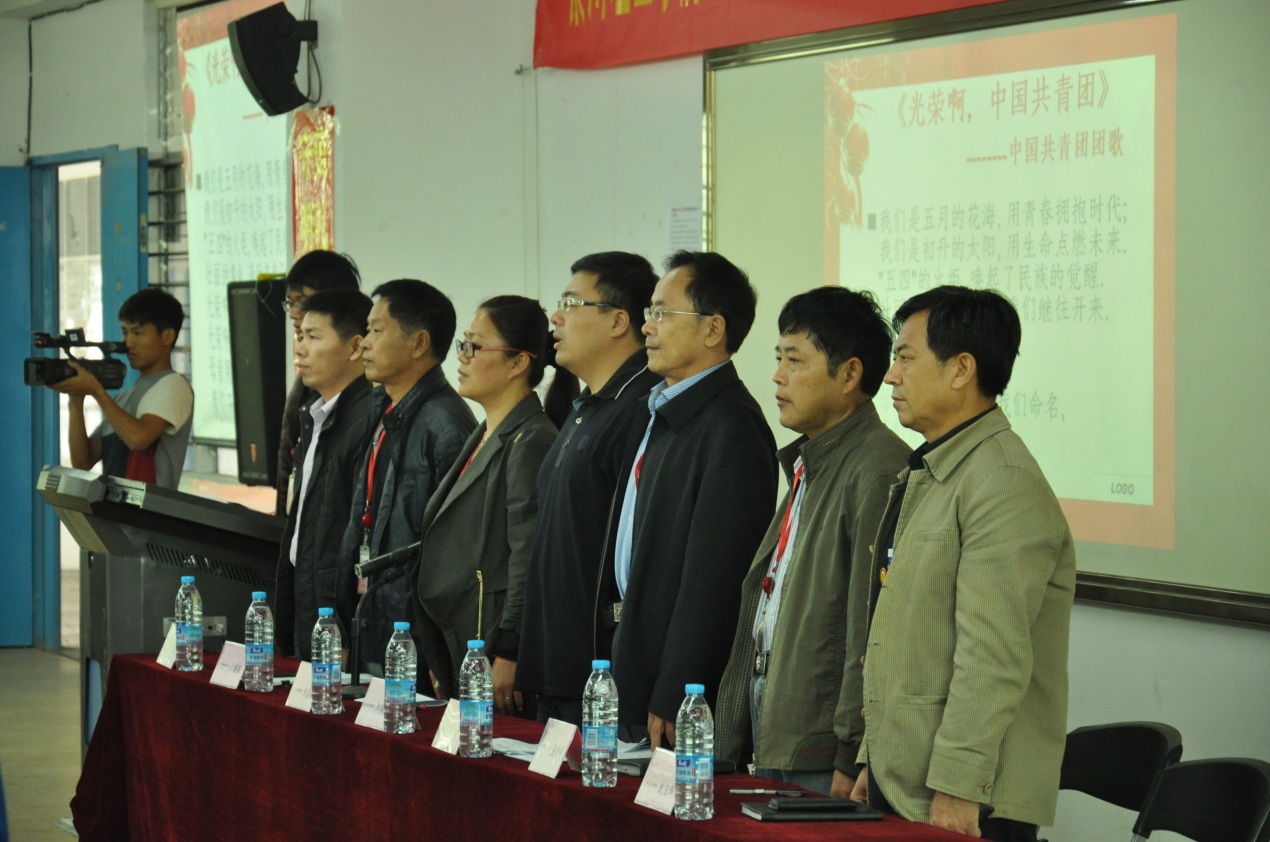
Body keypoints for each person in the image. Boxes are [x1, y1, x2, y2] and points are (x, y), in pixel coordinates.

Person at [849, 286, 1076, 842]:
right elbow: (902, 636)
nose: (890, 376)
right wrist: (873, 758)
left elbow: (992, 656)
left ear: (961, 370)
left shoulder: (1002, 481)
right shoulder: (935, 470)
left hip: (965, 801)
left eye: (905, 357)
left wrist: (959, 783)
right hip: (906, 781)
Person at [714, 287, 910, 796]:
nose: (778, 376)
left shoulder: (877, 467)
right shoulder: (813, 458)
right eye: (778, 358)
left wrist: (850, 748)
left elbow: (868, 626)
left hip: (823, 742)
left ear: (849, 374)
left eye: (795, 360)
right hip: (779, 717)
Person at [611, 250, 777, 747]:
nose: (647, 327)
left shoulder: (732, 427)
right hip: (637, 662)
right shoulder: (666, 409)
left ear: (712, 329)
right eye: (650, 312)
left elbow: (715, 578)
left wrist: (679, 689)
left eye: (662, 313)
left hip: (676, 697)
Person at [515, 252, 661, 725]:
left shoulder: (641, 407)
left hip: (599, 673)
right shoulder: (588, 405)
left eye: (571, 304)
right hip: (556, 663)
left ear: (618, 321)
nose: (556, 318)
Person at [411, 296, 573, 717]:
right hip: (461, 641)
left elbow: (527, 556)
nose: (462, 357)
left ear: (518, 362)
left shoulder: (531, 439)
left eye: (475, 346)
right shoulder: (487, 431)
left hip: (493, 647)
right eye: (463, 345)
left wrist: (509, 649)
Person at [338, 279, 476, 669]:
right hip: (373, 621)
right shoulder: (383, 408)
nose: (364, 342)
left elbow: (454, 556)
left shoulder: (446, 425)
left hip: (413, 640)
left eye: (376, 330)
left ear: (418, 343)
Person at [273, 289, 374, 659]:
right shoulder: (317, 415)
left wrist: (345, 629)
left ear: (355, 347)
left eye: (313, 337)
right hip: (308, 600)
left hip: (337, 618)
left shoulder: (366, 420)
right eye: (300, 336)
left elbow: (359, 534)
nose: (300, 349)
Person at [52, 287, 193, 490]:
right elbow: (83, 461)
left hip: (147, 510)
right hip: (113, 508)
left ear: (167, 336)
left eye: (138, 333)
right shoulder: (122, 398)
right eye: (125, 332)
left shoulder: (174, 385)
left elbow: (138, 439)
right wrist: (76, 400)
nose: (129, 343)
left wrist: (97, 391)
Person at [276, 250, 361, 515]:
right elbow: (288, 462)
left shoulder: (369, 401)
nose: (293, 313)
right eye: (289, 303)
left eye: (302, 301)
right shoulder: (308, 378)